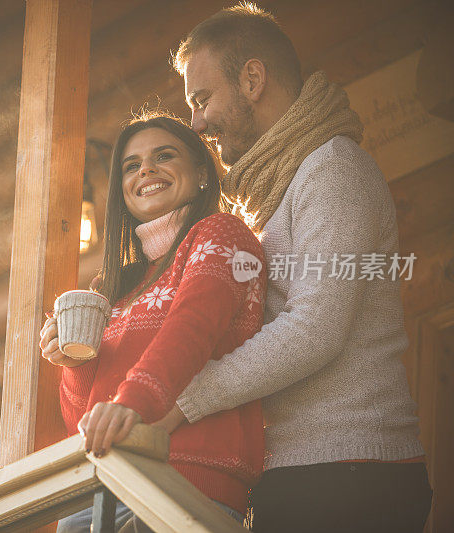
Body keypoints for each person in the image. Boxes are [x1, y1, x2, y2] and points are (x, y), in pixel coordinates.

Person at [159, 4, 432, 532]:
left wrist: (183, 402)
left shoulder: (332, 169)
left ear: (253, 79)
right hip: (307, 474)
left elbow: (315, 329)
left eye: (202, 97)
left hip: (349, 473)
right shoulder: (273, 194)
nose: (196, 121)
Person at [39, 113, 268, 531]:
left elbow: (191, 329)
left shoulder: (223, 236)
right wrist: (74, 364)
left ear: (202, 173)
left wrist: (130, 403)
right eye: (132, 165)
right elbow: (84, 423)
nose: (146, 169)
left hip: (181, 483)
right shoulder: (115, 286)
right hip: (93, 491)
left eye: (164, 155)